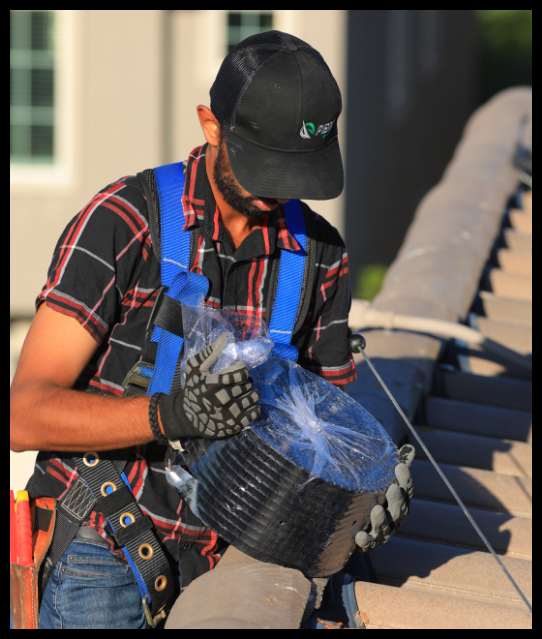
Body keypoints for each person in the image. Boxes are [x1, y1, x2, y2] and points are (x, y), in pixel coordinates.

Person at [10, 31, 412, 630]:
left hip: (236, 559)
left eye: (293, 173)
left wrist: (365, 492)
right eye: (263, 167)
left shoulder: (320, 256)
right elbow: (23, 416)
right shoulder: (125, 223)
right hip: (104, 547)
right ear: (211, 126)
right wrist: (170, 415)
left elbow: (329, 430)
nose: (276, 191)